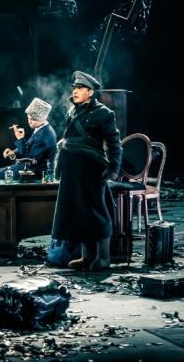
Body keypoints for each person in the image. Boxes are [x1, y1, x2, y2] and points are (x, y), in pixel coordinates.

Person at [50, 70, 121, 271]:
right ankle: (87, 256)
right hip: (72, 171)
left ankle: (103, 258)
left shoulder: (104, 113)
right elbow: (68, 139)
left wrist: (113, 169)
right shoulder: (72, 111)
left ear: (90, 92)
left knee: (96, 213)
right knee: (78, 213)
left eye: (80, 88)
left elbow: (114, 144)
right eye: (74, 87)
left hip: (91, 170)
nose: (75, 91)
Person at [0, 97, 57, 180]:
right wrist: (13, 153)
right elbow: (29, 149)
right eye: (28, 118)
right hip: (31, 168)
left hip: (34, 172)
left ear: (42, 118)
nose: (29, 122)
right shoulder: (42, 129)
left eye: (33, 119)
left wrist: (20, 139)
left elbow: (29, 160)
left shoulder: (44, 136)